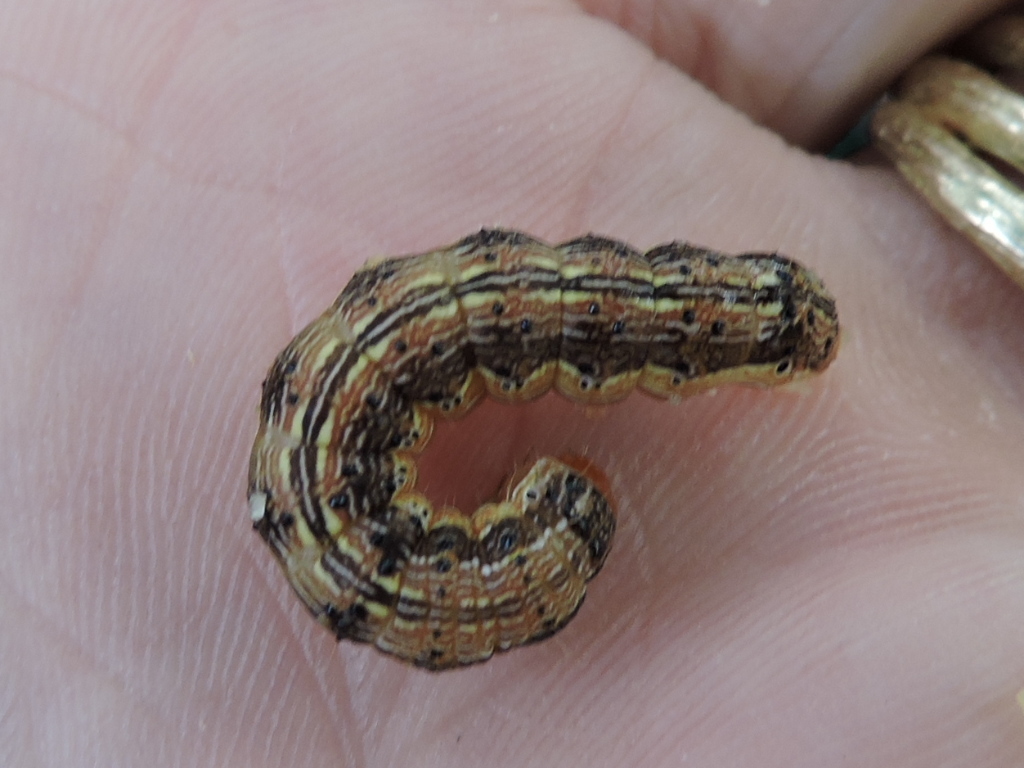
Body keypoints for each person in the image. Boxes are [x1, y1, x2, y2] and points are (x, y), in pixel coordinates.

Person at [3, 1, 1022, 765]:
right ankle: (767, 317)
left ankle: (766, 319)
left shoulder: (340, 470)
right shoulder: (334, 495)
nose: (566, 489)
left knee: (580, 314)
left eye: (550, 517)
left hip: (695, 308)